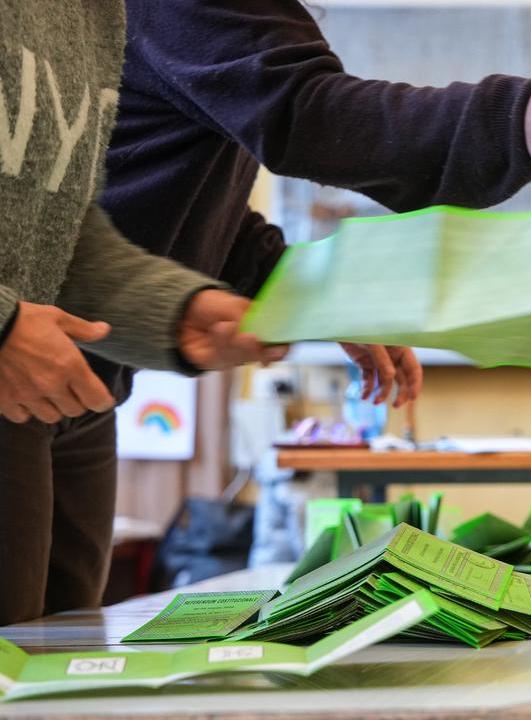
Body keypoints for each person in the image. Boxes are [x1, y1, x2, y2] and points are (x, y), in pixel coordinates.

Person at [99, 0, 531, 411]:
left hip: (86, 376)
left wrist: (312, 293)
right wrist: (509, 120)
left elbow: (175, 194)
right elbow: (309, 115)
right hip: (37, 362)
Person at [0, 2, 285, 625]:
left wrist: (165, 310)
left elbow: (55, 227)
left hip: (63, 387)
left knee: (52, 666)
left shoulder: (91, 14)